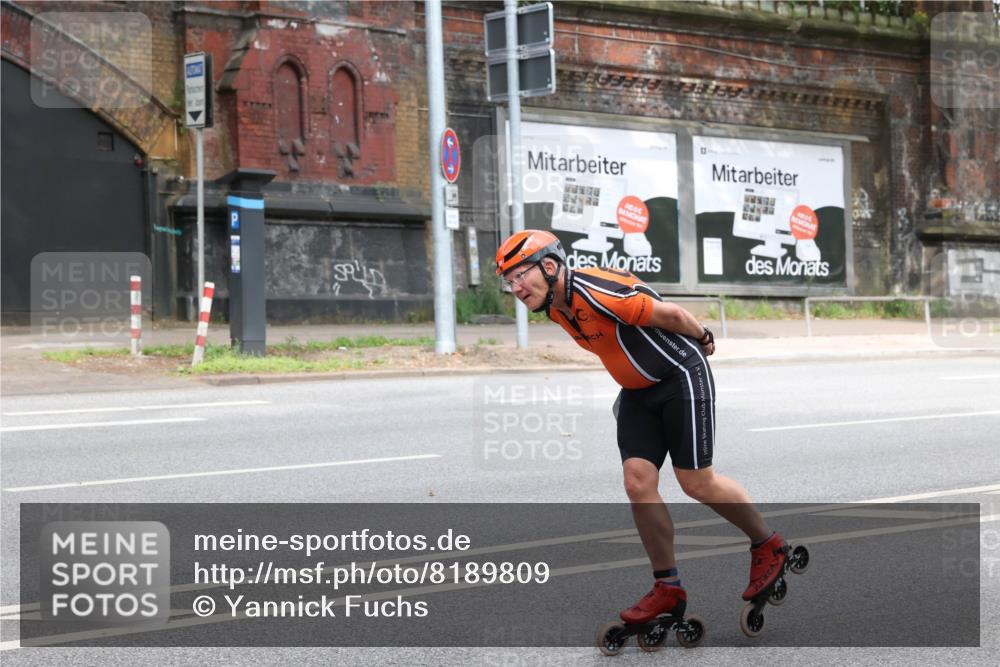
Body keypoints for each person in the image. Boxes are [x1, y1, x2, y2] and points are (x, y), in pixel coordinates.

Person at [495, 229, 788, 626]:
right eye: (508, 281)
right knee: (637, 482)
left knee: (696, 482)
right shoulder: (555, 305)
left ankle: (767, 544)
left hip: (680, 376)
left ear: (549, 266)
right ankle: (668, 586)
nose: (514, 287)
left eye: (519, 275)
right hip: (637, 393)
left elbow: (670, 315)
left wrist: (703, 337)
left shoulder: (596, 291)